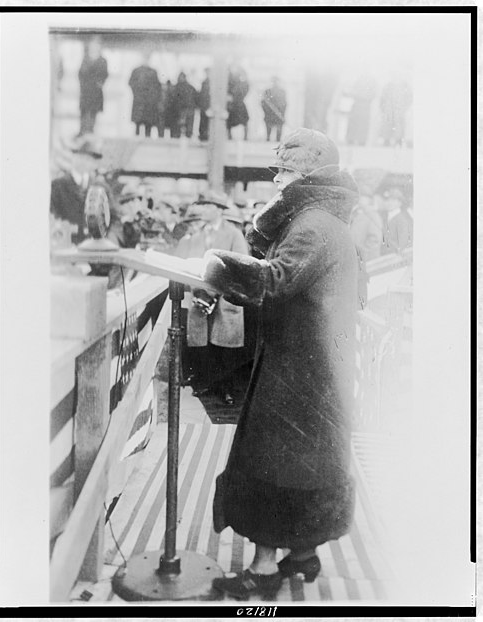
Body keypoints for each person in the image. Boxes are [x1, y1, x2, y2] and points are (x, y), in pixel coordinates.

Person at [198, 129, 358, 598]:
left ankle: (264, 571)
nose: (277, 182)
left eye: (285, 172)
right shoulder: (323, 219)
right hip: (316, 366)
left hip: (297, 372)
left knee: (272, 462)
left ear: (306, 174)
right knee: (311, 463)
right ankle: (302, 555)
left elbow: (275, 279)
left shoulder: (311, 224)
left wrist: (215, 266)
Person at [175, 191, 249, 405]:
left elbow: (241, 265)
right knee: (203, 345)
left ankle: (227, 389)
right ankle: (207, 384)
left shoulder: (233, 234)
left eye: (207, 206)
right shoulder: (197, 235)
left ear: (218, 210)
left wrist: (216, 290)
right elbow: (188, 264)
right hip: (201, 297)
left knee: (224, 346)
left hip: (225, 298)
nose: (202, 210)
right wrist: (199, 291)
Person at [49, 139, 103, 244]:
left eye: (89, 159)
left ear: (94, 164)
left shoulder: (99, 186)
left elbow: (112, 216)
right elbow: (52, 216)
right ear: (73, 157)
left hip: (94, 246)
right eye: (81, 157)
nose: (84, 162)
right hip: (66, 243)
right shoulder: (58, 185)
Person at [78, 38, 108, 136]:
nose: (94, 48)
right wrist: (83, 85)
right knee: (84, 111)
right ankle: (82, 131)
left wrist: (99, 83)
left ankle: (90, 132)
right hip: (86, 91)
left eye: (96, 46)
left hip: (95, 92)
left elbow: (105, 75)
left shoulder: (102, 61)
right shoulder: (85, 59)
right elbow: (80, 74)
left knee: (93, 112)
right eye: (92, 46)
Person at [128, 52, 162, 137]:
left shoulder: (153, 72)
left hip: (149, 102)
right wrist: (137, 93)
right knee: (138, 124)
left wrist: (152, 97)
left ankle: (147, 139)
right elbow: (131, 83)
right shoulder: (136, 71)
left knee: (148, 124)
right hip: (139, 100)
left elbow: (157, 86)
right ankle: (137, 138)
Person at [261, 76, 287, 142]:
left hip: (279, 114)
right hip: (269, 114)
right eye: (273, 82)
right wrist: (267, 111)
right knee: (268, 132)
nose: (275, 83)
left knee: (278, 132)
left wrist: (281, 113)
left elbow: (284, 104)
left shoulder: (282, 92)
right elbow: (263, 103)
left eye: (276, 82)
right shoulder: (267, 91)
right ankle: (268, 141)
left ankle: (278, 142)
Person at [227, 67, 249, 140]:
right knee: (229, 121)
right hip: (233, 104)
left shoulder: (243, 84)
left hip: (238, 104)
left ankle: (245, 137)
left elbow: (244, 91)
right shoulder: (231, 83)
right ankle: (229, 136)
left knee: (245, 120)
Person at [174, 72, 197, 138]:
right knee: (189, 128)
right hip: (190, 109)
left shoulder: (177, 87)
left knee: (178, 128)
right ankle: (188, 140)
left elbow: (175, 99)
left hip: (181, 110)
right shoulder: (191, 87)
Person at [198, 68, 211, 141]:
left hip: (206, 106)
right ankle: (203, 135)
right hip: (205, 106)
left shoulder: (207, 82)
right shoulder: (205, 82)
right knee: (204, 123)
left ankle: (204, 135)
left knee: (205, 123)